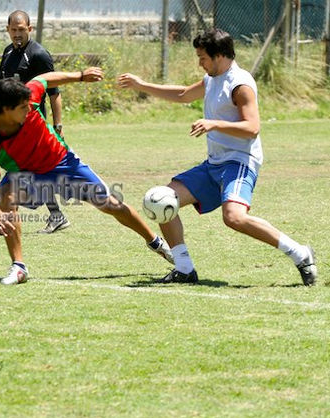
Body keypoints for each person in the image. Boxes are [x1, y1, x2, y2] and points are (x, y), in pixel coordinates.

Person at [118, 28, 317, 286]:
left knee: (234, 218)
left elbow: (252, 127)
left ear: (220, 55)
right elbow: (182, 94)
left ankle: (300, 253)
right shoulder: (211, 78)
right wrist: (141, 85)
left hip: (240, 162)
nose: (200, 62)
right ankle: (184, 268)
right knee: (162, 199)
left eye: (203, 57)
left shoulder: (240, 84)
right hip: (214, 164)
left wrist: (214, 124)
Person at [0, 67, 174, 285]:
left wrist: (80, 76)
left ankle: (156, 242)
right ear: (5, 109)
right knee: (6, 195)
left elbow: (44, 79)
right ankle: (19, 266)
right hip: (27, 173)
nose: (28, 109)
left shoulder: (28, 98)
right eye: (22, 108)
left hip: (61, 162)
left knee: (109, 204)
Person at [0, 10, 70, 235]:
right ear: (7, 30)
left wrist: (58, 126)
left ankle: (6, 220)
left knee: (20, 171)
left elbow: (54, 93)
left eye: (21, 29)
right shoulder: (8, 52)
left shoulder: (39, 54)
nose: (17, 34)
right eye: (13, 30)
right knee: (23, 170)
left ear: (29, 29)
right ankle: (54, 214)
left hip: (31, 126)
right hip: (8, 125)